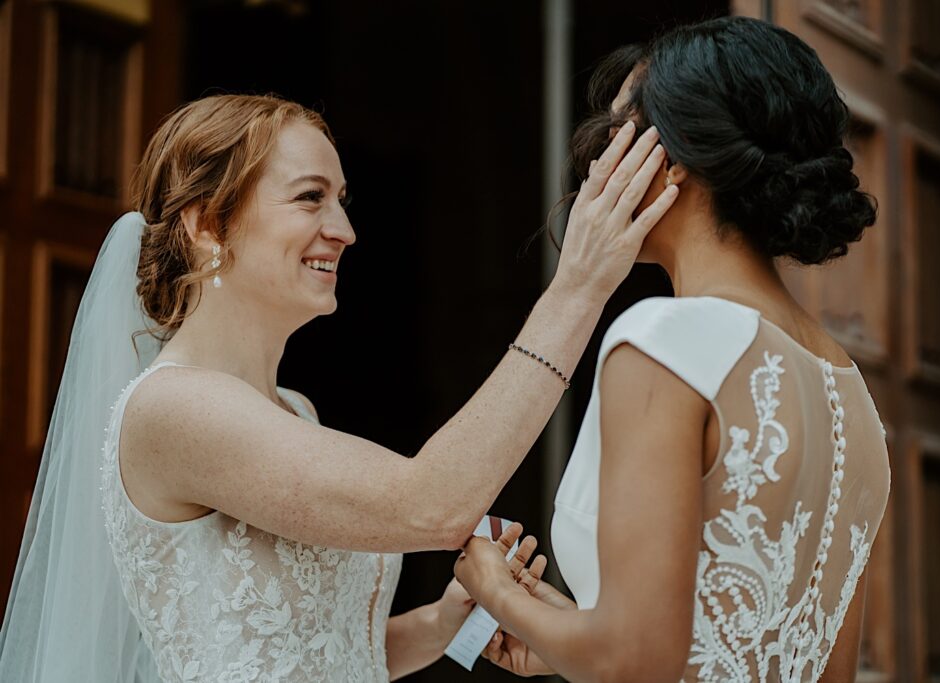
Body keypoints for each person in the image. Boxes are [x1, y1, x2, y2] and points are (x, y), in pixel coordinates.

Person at [0, 94, 679, 682]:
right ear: (206, 225)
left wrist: (444, 623)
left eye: (341, 201)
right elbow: (432, 503)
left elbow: (313, 655)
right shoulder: (172, 407)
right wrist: (581, 283)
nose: (345, 231)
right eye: (309, 197)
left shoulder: (294, 412)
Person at [455, 16, 889, 682]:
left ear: (671, 158)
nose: (596, 160)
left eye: (615, 132)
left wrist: (497, 588)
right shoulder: (852, 395)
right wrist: (565, 640)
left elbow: (635, 659)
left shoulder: (665, 340)